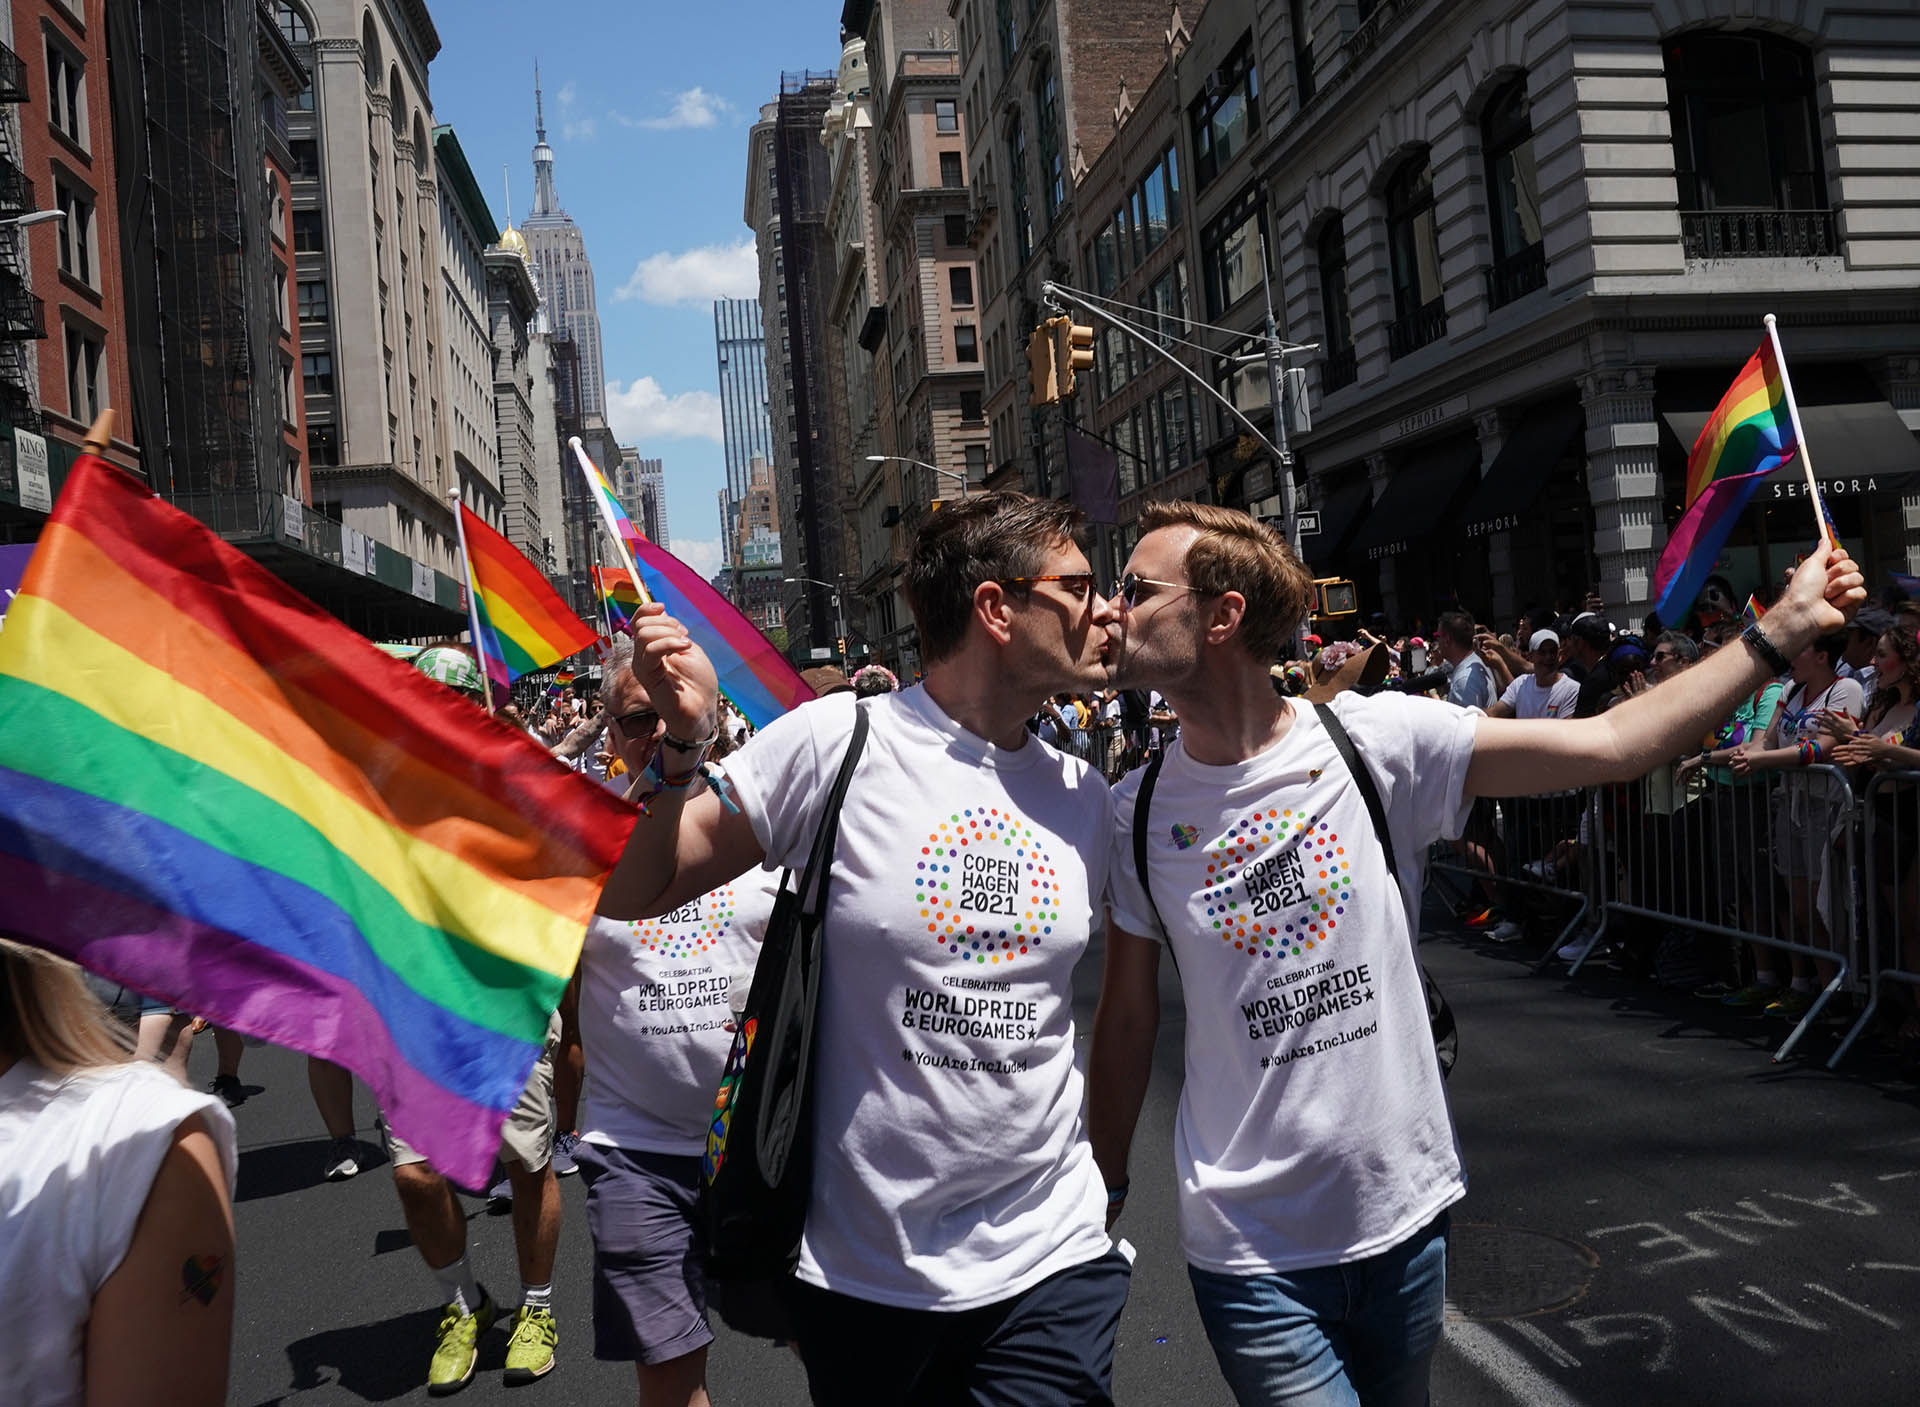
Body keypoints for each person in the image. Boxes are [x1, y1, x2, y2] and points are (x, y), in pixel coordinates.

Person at [1086, 500, 1864, 1407]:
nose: (1110, 607)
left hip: (1406, 1221)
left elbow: (1611, 745)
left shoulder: (1375, 743)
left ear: (1220, 615)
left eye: (1136, 590)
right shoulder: (1132, 810)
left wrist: (1777, 634)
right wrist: (1101, 1192)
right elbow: (1128, 1016)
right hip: (1250, 1250)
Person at [598, 492, 1131, 1406]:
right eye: (1080, 586)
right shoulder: (835, 743)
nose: (1107, 609)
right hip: (865, 1273)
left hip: (1052, 1253)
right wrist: (684, 741)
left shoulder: (1087, 793)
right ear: (997, 610)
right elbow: (636, 888)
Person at [569, 634, 780, 1407]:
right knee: (667, 1379)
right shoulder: (574, 838)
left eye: (671, 711)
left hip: (768, 1146)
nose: (656, 729)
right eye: (636, 715)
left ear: (711, 716)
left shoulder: (768, 822)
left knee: (837, 1346)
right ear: (609, 729)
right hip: (636, 1153)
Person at [1, 937, 238, 1406]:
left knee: (165, 1069)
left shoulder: (136, 1136)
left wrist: (135, 1072)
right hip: (105, 1044)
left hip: (122, 1054)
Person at [1722, 632, 1866, 1017]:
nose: (1790, 658)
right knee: (1802, 908)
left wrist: (1760, 762)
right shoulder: (1790, 690)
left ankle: (1848, 991)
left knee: (1827, 907)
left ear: (1821, 656)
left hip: (1827, 807)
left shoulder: (1845, 689)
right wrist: (1714, 758)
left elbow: (1819, 748)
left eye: (1799, 649)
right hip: (1790, 805)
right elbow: (1763, 743)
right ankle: (1824, 991)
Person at [1433, 611, 1493, 710]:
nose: (1437, 641)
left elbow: (1469, 724)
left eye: (1438, 636)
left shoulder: (1464, 681)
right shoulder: (1478, 662)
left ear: (1447, 640)